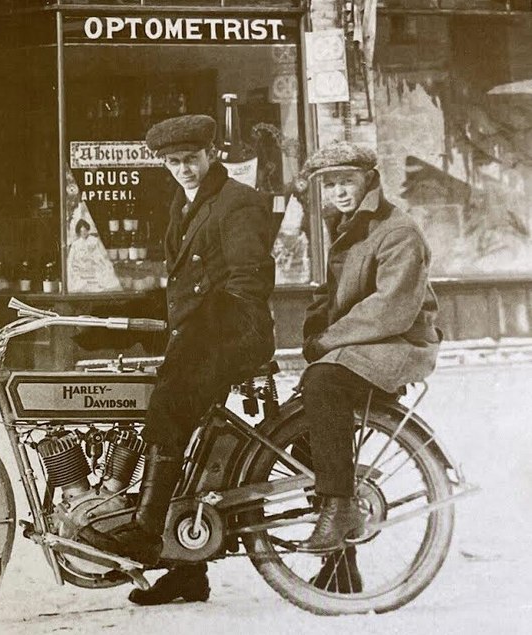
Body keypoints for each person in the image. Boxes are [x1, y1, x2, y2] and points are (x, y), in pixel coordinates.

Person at [79, 114, 276, 604]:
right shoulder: (186, 203)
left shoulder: (239, 202)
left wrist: (195, 333)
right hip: (206, 329)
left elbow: (248, 284)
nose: (183, 169)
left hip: (236, 331)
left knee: (167, 409)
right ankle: (188, 572)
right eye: (173, 163)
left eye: (190, 159)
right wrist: (102, 320)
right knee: (184, 435)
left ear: (211, 154)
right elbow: (182, 287)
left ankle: (146, 533)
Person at [297, 141, 442, 554]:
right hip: (365, 343)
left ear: (368, 180)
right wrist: (313, 332)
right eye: (330, 185)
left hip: (401, 343)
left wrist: (327, 341)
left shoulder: (397, 230)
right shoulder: (345, 225)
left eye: (347, 182)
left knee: (323, 383)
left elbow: (389, 308)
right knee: (306, 435)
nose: (340, 192)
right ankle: (338, 563)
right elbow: (333, 294)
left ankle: (340, 510)